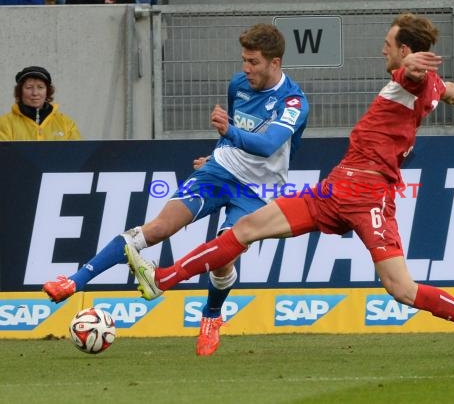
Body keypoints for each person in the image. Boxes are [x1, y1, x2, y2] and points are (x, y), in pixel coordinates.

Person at [126, 13, 454, 356]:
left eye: (389, 44)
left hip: (368, 193)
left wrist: (412, 70)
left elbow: (411, 74)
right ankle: (162, 279)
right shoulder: (430, 86)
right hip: (337, 186)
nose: (383, 50)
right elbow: (451, 92)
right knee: (244, 230)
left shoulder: (406, 78)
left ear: (405, 52)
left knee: (401, 289)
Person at [42, 24, 310, 356]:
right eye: (243, 60)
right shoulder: (238, 85)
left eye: (253, 62)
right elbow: (232, 134)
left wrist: (229, 132)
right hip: (219, 172)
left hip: (257, 191)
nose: (246, 69)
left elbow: (269, 145)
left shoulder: (293, 101)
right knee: (158, 228)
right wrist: (217, 153)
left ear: (275, 62)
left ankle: (211, 315)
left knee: (223, 258)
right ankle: (74, 281)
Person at [0, 66, 81, 141]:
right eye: (29, 87)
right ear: (20, 91)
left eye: (40, 87)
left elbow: (78, 153)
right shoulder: (5, 123)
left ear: (47, 91)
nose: (35, 93)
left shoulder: (66, 123)